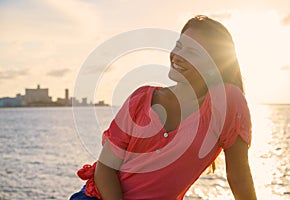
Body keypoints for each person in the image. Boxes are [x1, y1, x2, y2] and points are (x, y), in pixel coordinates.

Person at [70, 15, 257, 200]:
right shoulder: (141, 99)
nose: (178, 55)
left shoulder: (227, 102)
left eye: (192, 52)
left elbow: (239, 175)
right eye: (179, 46)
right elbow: (106, 168)